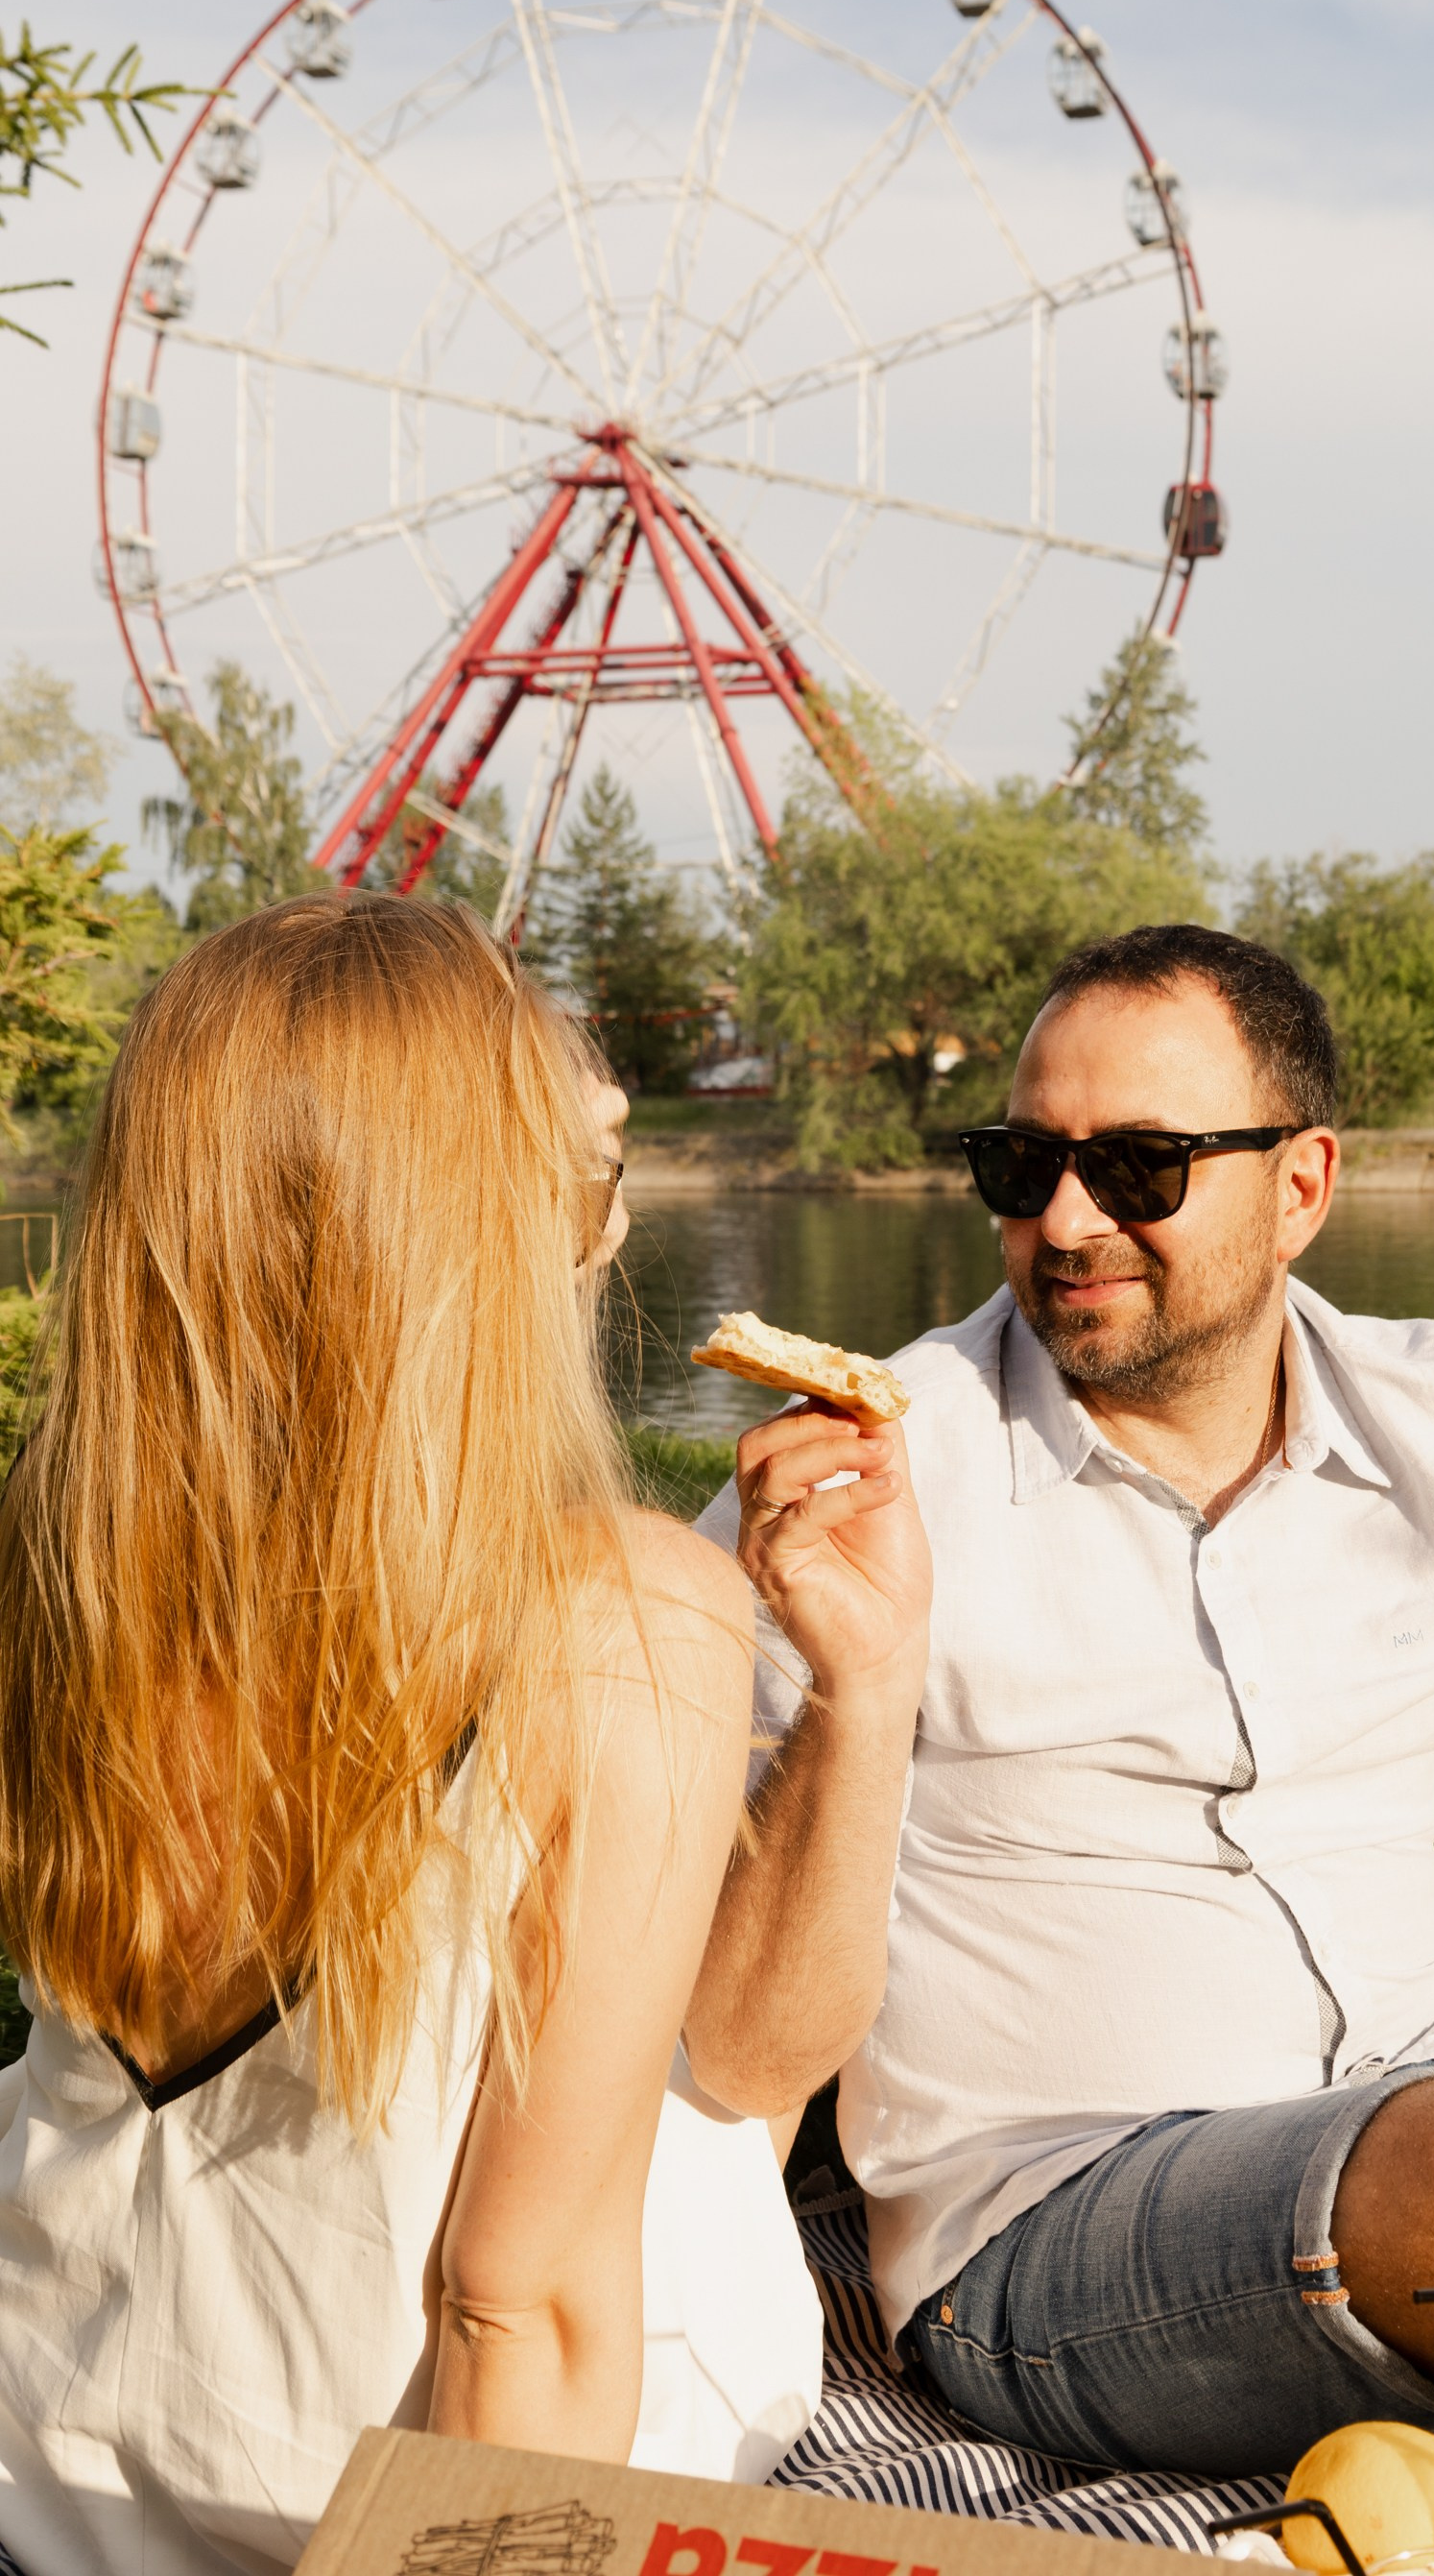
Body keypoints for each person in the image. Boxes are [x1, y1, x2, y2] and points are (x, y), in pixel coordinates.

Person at [686, 920, 1434, 2575]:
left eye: (1137, 1166)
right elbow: (698, 1992)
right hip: (1063, 2241)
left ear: (1304, 1183)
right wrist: (850, 1689)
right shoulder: (865, 1499)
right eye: (1022, 1161)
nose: (1065, 1221)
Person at [0, 895, 821, 2576]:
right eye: (583, 1176)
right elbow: (517, 2308)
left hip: (68, 2442)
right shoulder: (630, 1619)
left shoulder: (55, 1549)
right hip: (369, 2503)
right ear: (482, 1222)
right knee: (727, 2126)